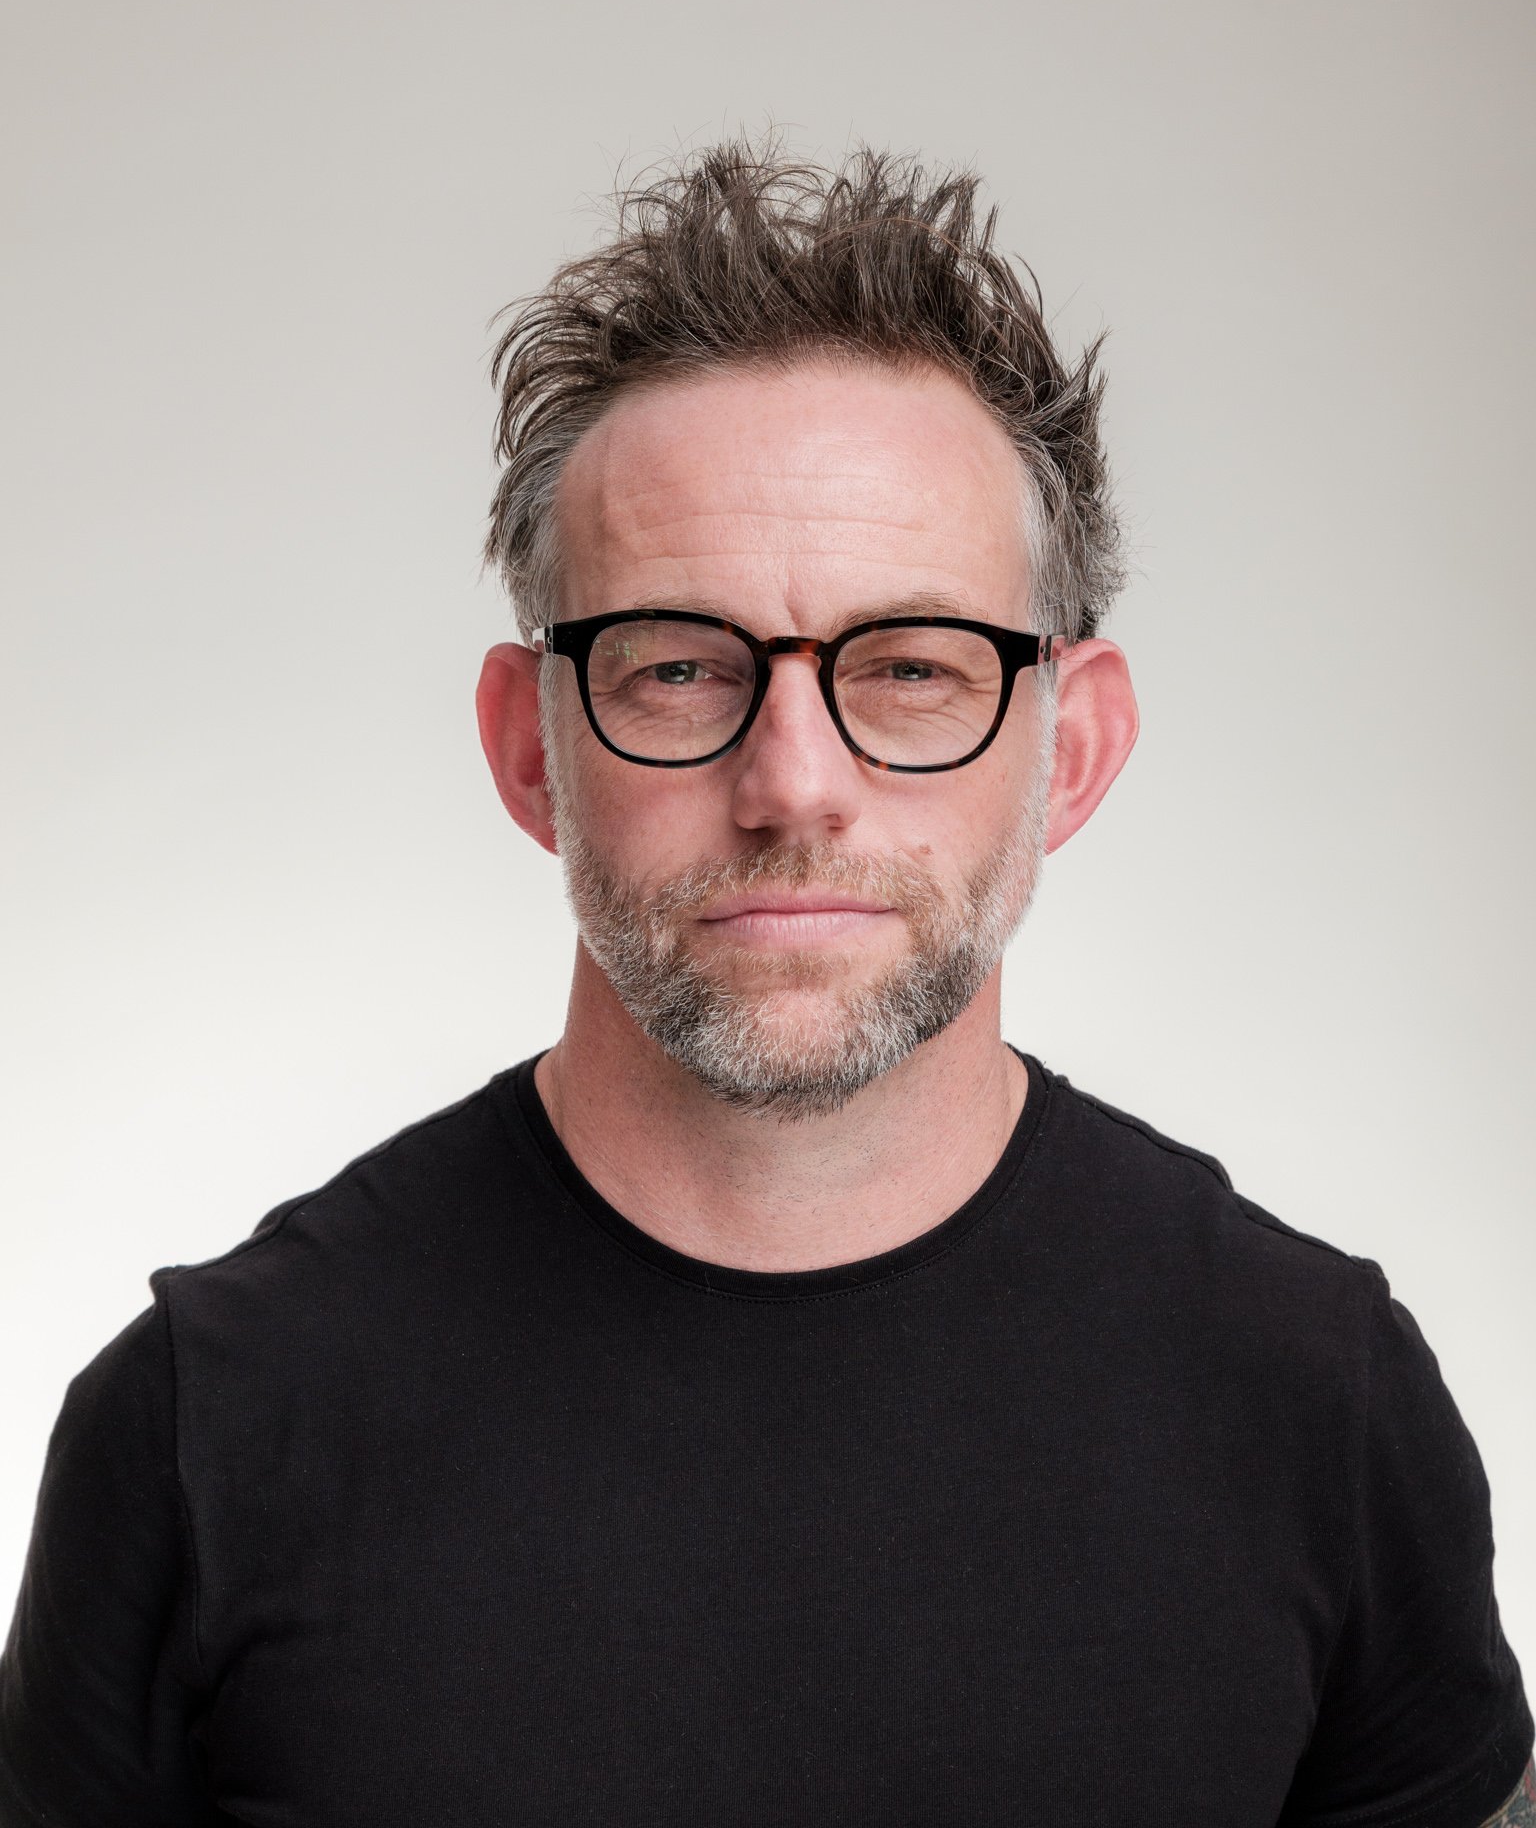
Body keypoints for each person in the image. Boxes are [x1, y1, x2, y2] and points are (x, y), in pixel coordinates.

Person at [1, 141, 1530, 1828]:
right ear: (530, 750)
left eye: (913, 669)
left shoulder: (1323, 1404)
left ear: (1071, 751)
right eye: (675, 667)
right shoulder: (204, 1425)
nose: (795, 780)